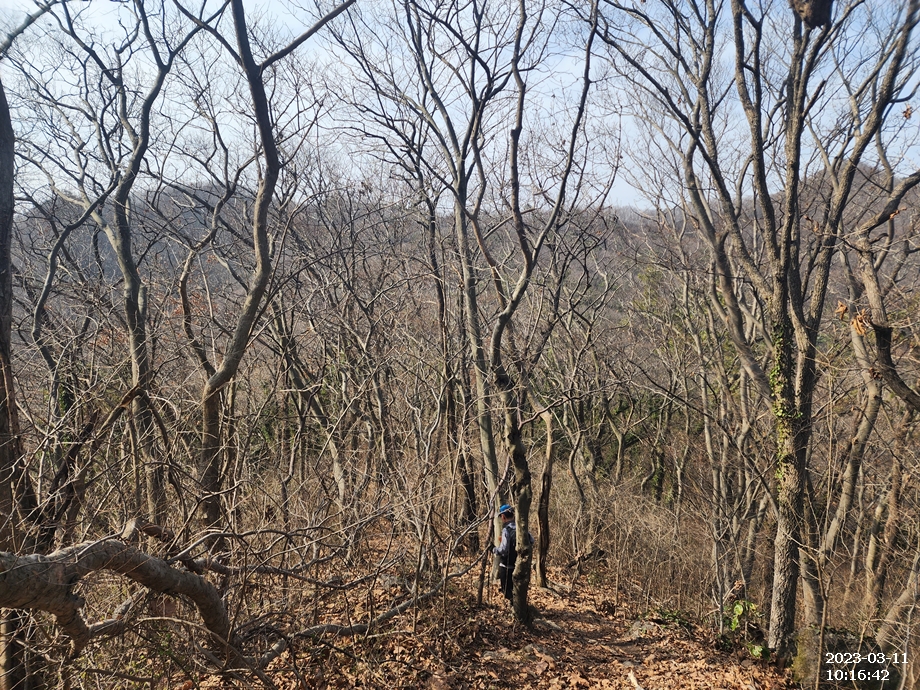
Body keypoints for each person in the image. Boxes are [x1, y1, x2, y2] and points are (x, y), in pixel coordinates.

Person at [493, 504, 531, 604]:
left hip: (506, 566)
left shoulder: (506, 530)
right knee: (517, 591)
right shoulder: (521, 529)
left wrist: (494, 549)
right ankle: (517, 607)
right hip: (519, 565)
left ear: (503, 517)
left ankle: (514, 608)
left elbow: (503, 549)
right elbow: (531, 540)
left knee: (507, 591)